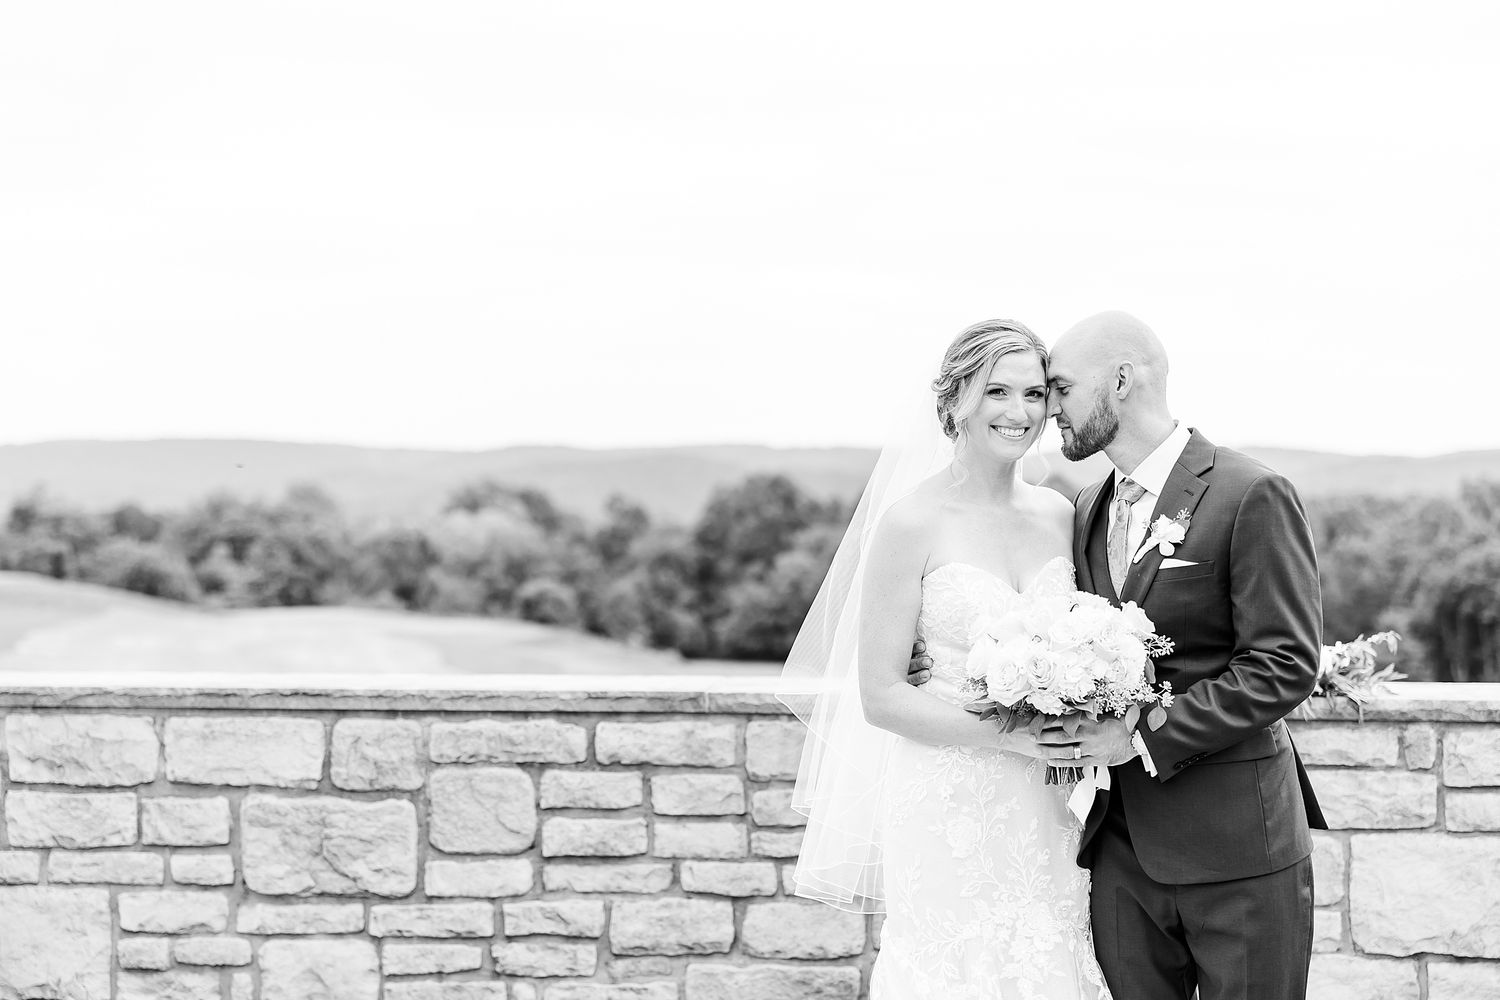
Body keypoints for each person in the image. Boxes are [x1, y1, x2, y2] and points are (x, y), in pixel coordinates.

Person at [911, 311, 1326, 1000]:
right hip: (1117, 854)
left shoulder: (1249, 493)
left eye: (1061, 389)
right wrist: (937, 657)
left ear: (1122, 381)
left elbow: (1283, 665)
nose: (1049, 411)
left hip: (1237, 847)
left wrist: (1138, 736)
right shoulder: (1085, 509)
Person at [779, 319, 1112, 999]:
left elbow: (1091, 639)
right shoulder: (910, 522)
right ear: (956, 398)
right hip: (948, 794)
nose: (1020, 412)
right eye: (997, 391)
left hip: (1051, 797)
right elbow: (882, 695)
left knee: (1052, 953)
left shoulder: (1061, 514)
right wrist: (1016, 737)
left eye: (1034, 393)